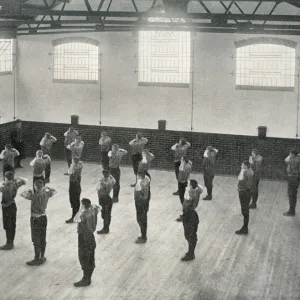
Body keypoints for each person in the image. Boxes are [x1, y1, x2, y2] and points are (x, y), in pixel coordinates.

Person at [20, 180, 57, 266]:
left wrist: (29, 190)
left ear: (35, 187)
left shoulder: (34, 196)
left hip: (35, 219)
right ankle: (42, 256)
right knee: (42, 237)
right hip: (43, 217)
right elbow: (54, 191)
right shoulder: (46, 194)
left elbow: (22, 194)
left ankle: (37, 258)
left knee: (35, 239)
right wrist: (46, 188)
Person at [73, 198, 100, 287]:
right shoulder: (93, 210)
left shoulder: (84, 215)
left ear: (83, 205)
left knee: (84, 257)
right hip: (91, 236)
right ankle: (88, 277)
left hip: (84, 237)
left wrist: (81, 210)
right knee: (90, 257)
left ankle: (86, 279)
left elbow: (75, 219)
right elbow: (99, 207)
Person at [0, 172, 27, 250]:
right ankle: (11, 242)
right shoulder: (15, 184)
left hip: (6, 207)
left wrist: (4, 184)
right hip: (13, 205)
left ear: (6, 178)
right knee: (12, 224)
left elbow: (2, 190)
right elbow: (25, 180)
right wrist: (15, 179)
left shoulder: (6, 187)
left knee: (7, 225)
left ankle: (9, 243)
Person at [181, 179, 203, 261]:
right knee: (188, 235)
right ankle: (191, 251)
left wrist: (193, 188)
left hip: (190, 216)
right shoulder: (191, 192)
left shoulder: (192, 194)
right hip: (187, 215)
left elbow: (188, 202)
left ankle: (191, 253)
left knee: (190, 235)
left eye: (188, 184)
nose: (187, 185)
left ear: (191, 186)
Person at [236, 161, 253, 235]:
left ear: (246, 166)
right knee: (245, 209)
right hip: (247, 191)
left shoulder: (245, 172)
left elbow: (239, 178)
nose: (241, 166)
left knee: (245, 210)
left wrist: (242, 170)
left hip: (243, 192)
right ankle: (245, 227)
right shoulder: (251, 171)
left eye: (242, 165)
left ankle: (245, 228)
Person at [96, 170, 116, 234]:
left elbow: (99, 187)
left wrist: (100, 181)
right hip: (106, 198)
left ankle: (106, 229)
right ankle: (106, 228)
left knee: (105, 215)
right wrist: (110, 176)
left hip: (104, 199)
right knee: (106, 215)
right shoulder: (111, 180)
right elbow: (114, 181)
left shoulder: (105, 182)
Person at [134, 171, 151, 244]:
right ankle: (143, 235)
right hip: (142, 202)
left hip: (141, 203)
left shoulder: (142, 184)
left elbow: (144, 195)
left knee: (141, 219)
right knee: (142, 219)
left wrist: (142, 201)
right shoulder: (146, 179)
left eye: (138, 176)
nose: (137, 177)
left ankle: (143, 237)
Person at [66, 157, 84, 224]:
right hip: (78, 185)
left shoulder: (73, 168)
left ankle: (74, 217)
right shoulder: (80, 165)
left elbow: (69, 172)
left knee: (73, 201)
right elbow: (80, 163)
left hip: (73, 185)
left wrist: (72, 165)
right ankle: (76, 216)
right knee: (77, 200)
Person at [284, 149, 300, 216]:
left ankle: (291, 211)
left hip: (292, 178)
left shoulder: (293, 160)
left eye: (290, 153)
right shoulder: (298, 158)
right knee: (293, 195)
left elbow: (286, 160)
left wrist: (290, 155)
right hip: (296, 178)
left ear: (293, 154)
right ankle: (292, 210)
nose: (289, 154)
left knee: (291, 195)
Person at [176, 156, 192, 222]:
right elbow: (190, 162)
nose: (180, 160)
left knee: (182, 198)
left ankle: (185, 215)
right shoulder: (189, 164)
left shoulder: (182, 166)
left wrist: (182, 163)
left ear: (183, 160)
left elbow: (181, 171)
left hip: (182, 183)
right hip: (186, 182)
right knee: (184, 199)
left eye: (181, 159)